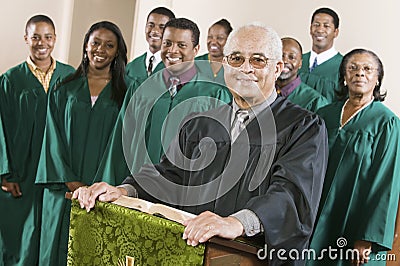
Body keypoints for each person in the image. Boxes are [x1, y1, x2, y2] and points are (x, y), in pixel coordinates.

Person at [74, 23, 328, 265]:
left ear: (277, 67)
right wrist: (124, 191)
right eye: (236, 59)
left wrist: (236, 223)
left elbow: (292, 195)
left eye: (258, 60)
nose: (245, 69)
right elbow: (168, 174)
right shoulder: (202, 123)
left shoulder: (302, 127)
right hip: (192, 254)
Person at [93, 17, 232, 186]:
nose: (172, 51)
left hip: (183, 194)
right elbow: (119, 142)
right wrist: (109, 186)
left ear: (196, 50)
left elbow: (216, 157)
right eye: (167, 43)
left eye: (181, 45)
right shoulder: (140, 89)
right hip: (135, 188)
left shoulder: (214, 95)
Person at [35, 21, 130, 266]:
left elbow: (123, 145)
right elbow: (52, 140)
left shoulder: (127, 92)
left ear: (118, 51)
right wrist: (73, 182)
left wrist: (99, 187)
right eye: (95, 42)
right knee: (55, 252)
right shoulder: (63, 88)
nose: (101, 49)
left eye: (109, 45)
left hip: (102, 193)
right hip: (62, 191)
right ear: (86, 45)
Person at [308, 49, 400, 265]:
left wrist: (367, 237)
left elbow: (386, 184)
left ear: (377, 80)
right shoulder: (325, 115)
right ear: (343, 77)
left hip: (354, 220)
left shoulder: (386, 123)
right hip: (316, 213)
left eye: (368, 69)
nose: (360, 73)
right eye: (353, 68)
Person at [0, 15, 74, 266]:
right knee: (20, 236)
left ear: (55, 39)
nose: (42, 43)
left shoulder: (70, 76)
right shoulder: (11, 79)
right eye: (35, 37)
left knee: (52, 234)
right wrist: (5, 174)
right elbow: (1, 127)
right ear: (26, 39)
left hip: (56, 170)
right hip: (23, 170)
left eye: (48, 37)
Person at [298, 7, 343, 103]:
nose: (320, 30)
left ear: (336, 32)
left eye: (326, 26)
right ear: (310, 29)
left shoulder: (343, 66)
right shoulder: (297, 60)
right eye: (316, 25)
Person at [276, 37, 328, 113]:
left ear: (300, 63)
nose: (285, 61)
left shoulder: (315, 101)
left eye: (292, 57)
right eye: (280, 56)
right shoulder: (262, 92)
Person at [125, 7, 175, 82]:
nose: (155, 31)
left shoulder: (176, 67)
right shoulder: (131, 67)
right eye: (151, 25)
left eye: (162, 27)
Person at [195, 18, 232, 85]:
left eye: (220, 38)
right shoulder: (195, 63)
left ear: (229, 40)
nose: (213, 42)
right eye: (210, 37)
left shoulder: (233, 65)